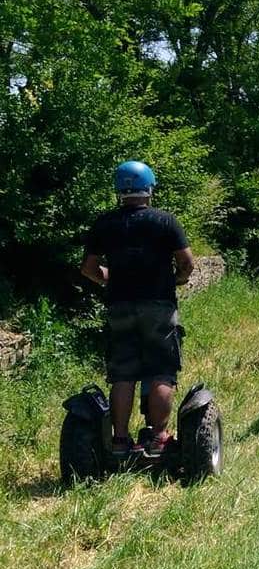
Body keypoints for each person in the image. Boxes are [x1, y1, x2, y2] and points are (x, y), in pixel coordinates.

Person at [80, 161, 195, 454]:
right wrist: (177, 280)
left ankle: (119, 441)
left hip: (119, 305)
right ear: (149, 188)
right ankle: (158, 439)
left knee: (122, 373)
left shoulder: (104, 223)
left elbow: (89, 269)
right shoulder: (165, 221)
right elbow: (187, 263)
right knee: (161, 370)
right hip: (158, 304)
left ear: (119, 190)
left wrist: (108, 279)